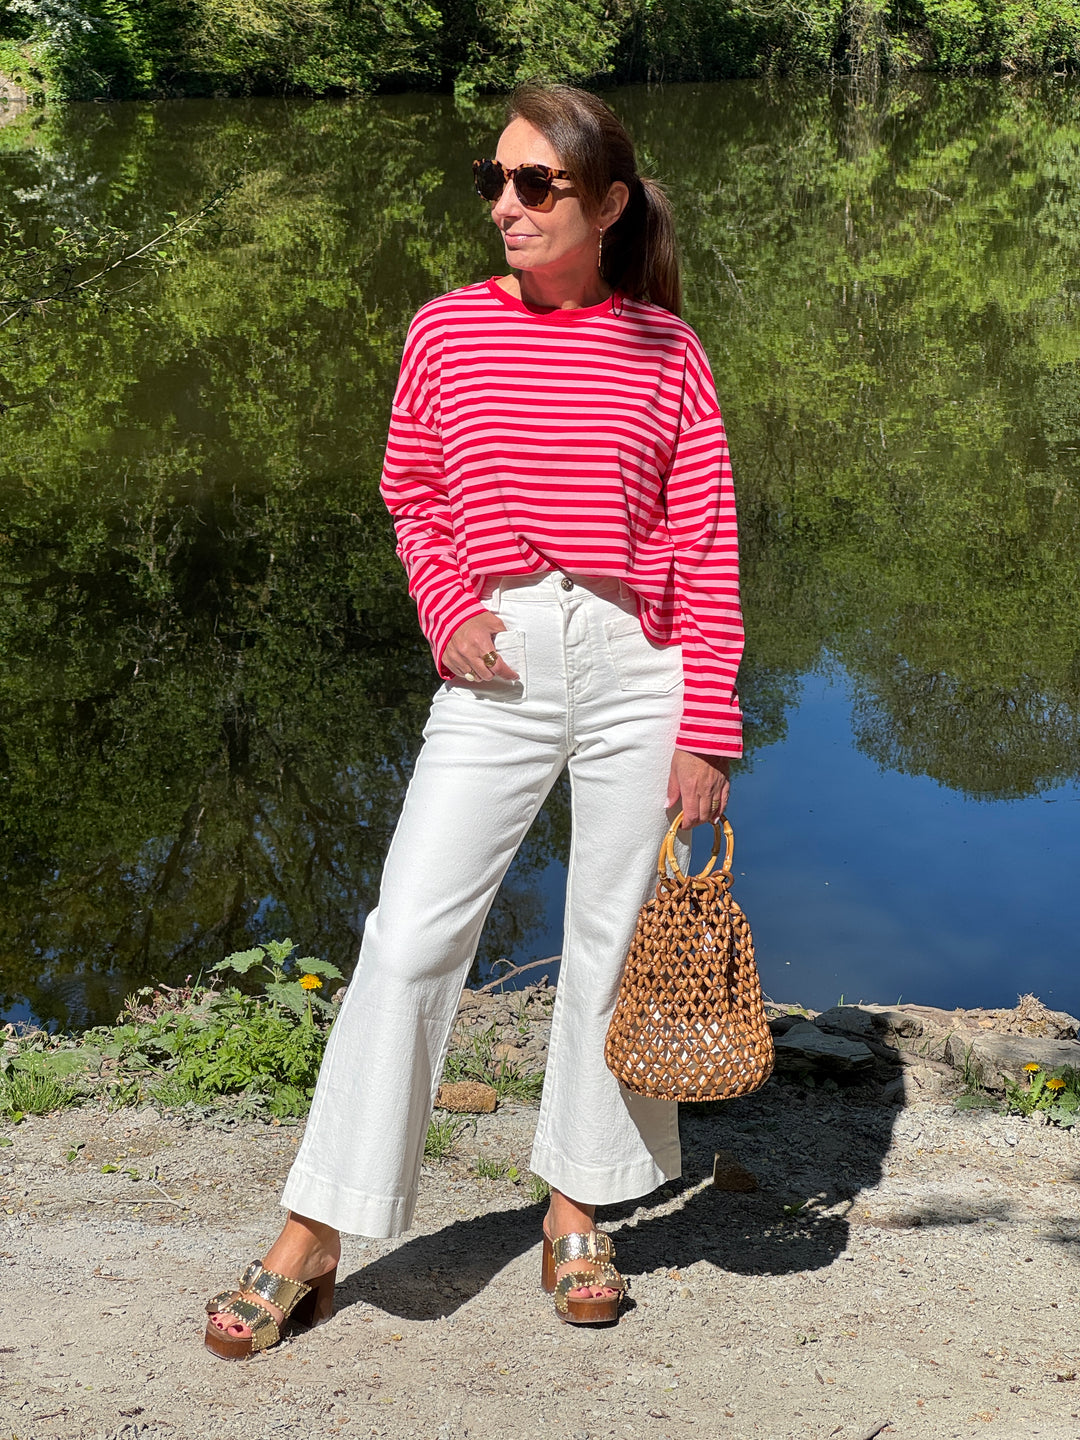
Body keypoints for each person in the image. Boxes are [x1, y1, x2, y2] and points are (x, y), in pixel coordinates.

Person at [203, 80, 743, 1355]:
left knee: (609, 945)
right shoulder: (444, 332)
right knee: (407, 940)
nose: (506, 205)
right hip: (494, 663)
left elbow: (707, 541)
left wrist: (708, 727)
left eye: (536, 186)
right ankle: (315, 1230)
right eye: (496, 182)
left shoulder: (667, 348)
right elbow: (414, 501)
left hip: (635, 659)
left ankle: (578, 1207)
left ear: (607, 205)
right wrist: (446, 612)